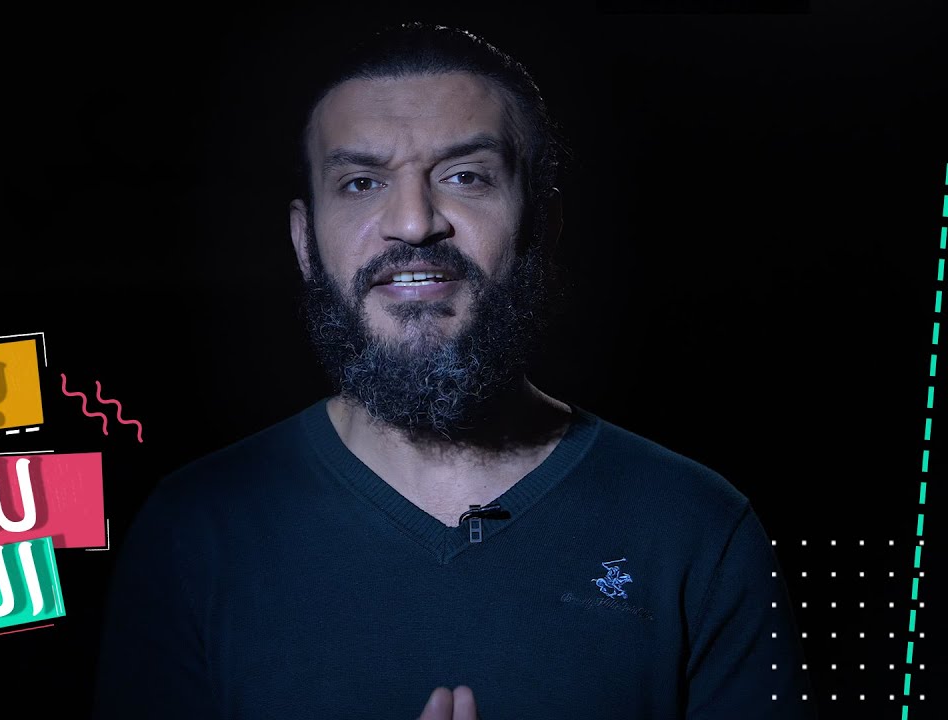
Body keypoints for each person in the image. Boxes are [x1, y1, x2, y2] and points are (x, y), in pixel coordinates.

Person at [93, 22, 815, 720]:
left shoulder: (697, 530)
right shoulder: (193, 532)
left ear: (543, 225)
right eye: (360, 183)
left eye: (465, 176)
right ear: (304, 241)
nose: (414, 223)